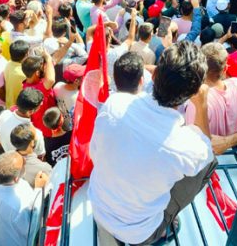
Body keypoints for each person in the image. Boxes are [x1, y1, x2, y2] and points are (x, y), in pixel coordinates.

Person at [89, 42, 216, 245]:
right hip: (139, 234)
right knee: (209, 162)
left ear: (154, 75)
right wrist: (201, 104)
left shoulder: (114, 103)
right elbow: (206, 150)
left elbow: (94, 154)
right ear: (193, 93)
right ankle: (165, 228)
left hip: (98, 205)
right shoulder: (187, 147)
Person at [0, 151, 49, 246]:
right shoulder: (22, 198)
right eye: (23, 163)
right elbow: (31, 228)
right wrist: (39, 189)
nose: (24, 159)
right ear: (16, 179)